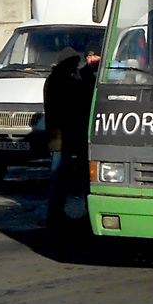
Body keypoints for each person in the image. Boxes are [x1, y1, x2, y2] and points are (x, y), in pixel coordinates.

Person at [44, 47, 97, 229]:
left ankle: (57, 214)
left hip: (65, 136)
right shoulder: (61, 81)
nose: (76, 66)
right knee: (60, 175)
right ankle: (56, 215)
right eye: (74, 63)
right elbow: (71, 105)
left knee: (66, 175)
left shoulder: (59, 78)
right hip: (63, 136)